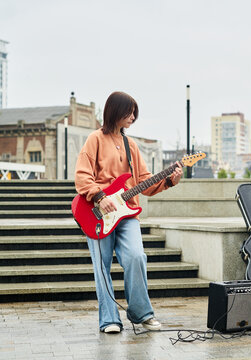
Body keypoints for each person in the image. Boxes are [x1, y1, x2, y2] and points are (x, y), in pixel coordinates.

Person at [75, 91, 183, 334]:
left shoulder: (130, 144)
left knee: (136, 257)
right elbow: (82, 177)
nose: (133, 117)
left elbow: (144, 181)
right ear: (114, 111)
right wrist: (100, 196)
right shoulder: (94, 139)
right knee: (101, 267)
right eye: (129, 111)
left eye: (135, 112)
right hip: (97, 211)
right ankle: (109, 320)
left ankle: (141, 313)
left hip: (127, 214)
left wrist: (169, 181)